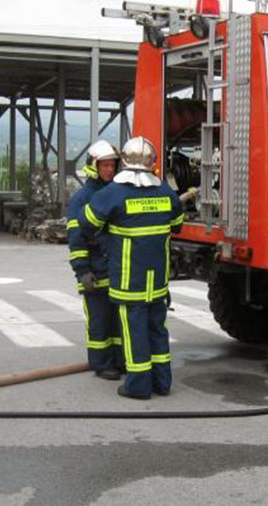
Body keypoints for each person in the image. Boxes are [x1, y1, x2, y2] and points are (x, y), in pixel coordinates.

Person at [78, 136, 184, 400]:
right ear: (152, 162)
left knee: (134, 330)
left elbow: (87, 222)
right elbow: (178, 223)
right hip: (157, 280)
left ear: (124, 161)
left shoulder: (113, 193)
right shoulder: (164, 191)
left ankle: (137, 385)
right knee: (158, 328)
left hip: (129, 279)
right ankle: (162, 382)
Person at [67, 140, 124, 380]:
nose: (109, 170)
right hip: (94, 270)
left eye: (112, 165)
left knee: (118, 321)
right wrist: (82, 271)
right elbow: (76, 239)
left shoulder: (117, 193)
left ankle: (120, 361)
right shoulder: (81, 199)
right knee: (99, 321)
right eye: (105, 166)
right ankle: (101, 364)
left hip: (116, 269)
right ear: (94, 167)